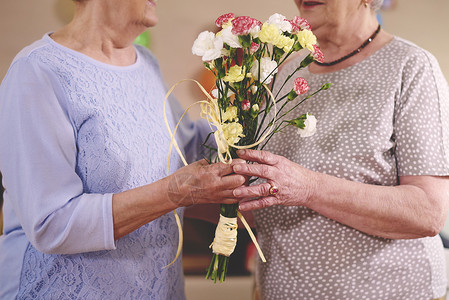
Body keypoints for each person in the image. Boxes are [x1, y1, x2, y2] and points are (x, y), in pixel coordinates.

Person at [0, 0, 246, 299]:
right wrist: (173, 192)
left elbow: (186, 146)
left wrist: (247, 108)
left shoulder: (144, 62)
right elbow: (50, 224)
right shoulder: (38, 71)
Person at [230, 0, 449, 299]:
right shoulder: (285, 71)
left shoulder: (410, 66)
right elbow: (268, 197)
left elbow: (428, 212)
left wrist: (308, 188)